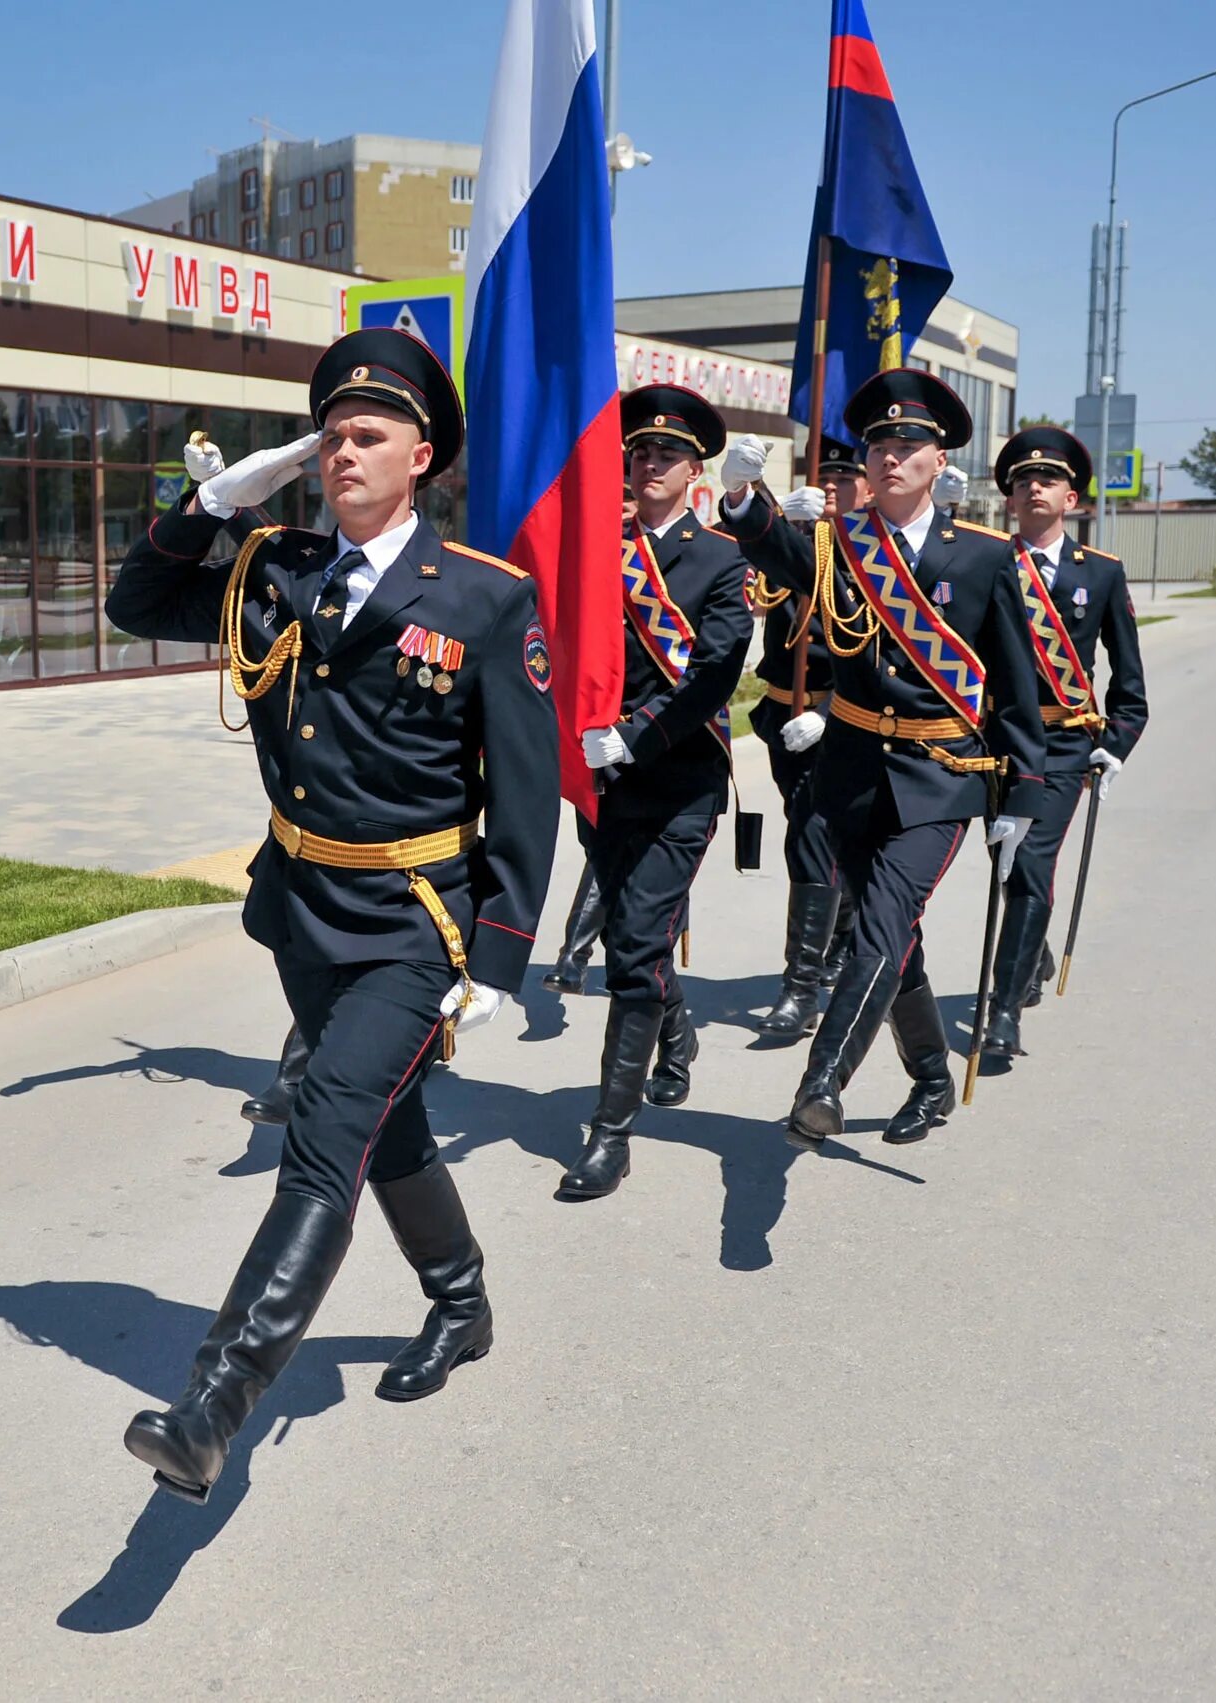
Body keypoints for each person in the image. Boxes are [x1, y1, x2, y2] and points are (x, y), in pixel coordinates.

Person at [103, 327, 558, 1504]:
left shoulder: (484, 598)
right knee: (386, 1123)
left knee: (324, 1133)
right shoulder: (276, 567)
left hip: (417, 920)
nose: (341, 453)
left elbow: (526, 782)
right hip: (305, 906)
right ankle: (461, 1299)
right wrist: (207, 503)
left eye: (367, 436)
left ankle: (216, 1402)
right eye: (329, 437)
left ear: (423, 458)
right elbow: (134, 602)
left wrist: (503, 958)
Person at [726, 370, 1046, 1148]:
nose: (890, 458)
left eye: (908, 446)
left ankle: (821, 1083)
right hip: (853, 770)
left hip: (940, 778)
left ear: (940, 462)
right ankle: (932, 1077)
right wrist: (744, 496)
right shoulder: (838, 543)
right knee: (894, 942)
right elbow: (774, 551)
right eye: (878, 446)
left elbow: (1013, 681)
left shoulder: (980, 557)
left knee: (878, 927)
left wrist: (1024, 794)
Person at [556, 387, 754, 1201]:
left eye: (665, 455)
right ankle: (676, 1032)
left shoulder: (721, 560)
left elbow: (713, 672)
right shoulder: (600, 546)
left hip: (678, 782)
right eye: (637, 453)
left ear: (694, 471)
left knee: (637, 943)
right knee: (631, 943)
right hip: (601, 781)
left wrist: (634, 732)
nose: (647, 465)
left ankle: (611, 1132)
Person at [980, 426, 1150, 1063]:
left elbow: (1129, 676)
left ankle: (1002, 1011)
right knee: (1007, 865)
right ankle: (1034, 946)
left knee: (1027, 866)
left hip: (1061, 742)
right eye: (1021, 481)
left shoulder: (1099, 573)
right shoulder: (985, 560)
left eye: (1045, 480)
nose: (1031, 487)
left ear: (1072, 498)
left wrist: (1119, 741)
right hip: (992, 740)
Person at [735, 439, 868, 1036]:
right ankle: (840, 938)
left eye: (847, 476)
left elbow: (879, 650)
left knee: (813, 837)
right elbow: (756, 580)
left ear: (866, 488)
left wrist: (834, 711)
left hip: (844, 721)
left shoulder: (868, 551)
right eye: (826, 475)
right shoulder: (795, 542)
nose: (834, 485)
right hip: (783, 719)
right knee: (817, 833)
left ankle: (802, 986)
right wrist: (772, 512)